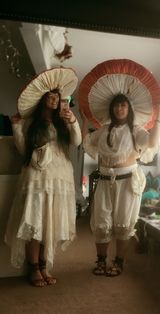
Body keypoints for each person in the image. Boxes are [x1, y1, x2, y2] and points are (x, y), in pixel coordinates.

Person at [5, 68, 82, 287]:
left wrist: (72, 120)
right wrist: (17, 127)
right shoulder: (32, 123)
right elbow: (23, 150)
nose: (53, 99)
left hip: (60, 177)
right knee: (36, 220)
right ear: (42, 100)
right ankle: (34, 268)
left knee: (51, 222)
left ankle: (44, 265)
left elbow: (76, 142)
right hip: (37, 176)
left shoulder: (63, 122)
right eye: (49, 96)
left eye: (57, 96)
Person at [80, 93, 160, 277]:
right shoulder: (103, 130)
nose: (120, 109)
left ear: (129, 109)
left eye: (123, 105)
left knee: (124, 223)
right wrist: (84, 120)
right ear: (112, 109)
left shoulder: (136, 130)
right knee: (101, 222)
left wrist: (158, 120)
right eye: (117, 105)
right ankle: (101, 261)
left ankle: (118, 262)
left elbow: (152, 142)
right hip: (104, 181)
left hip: (127, 182)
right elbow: (87, 141)